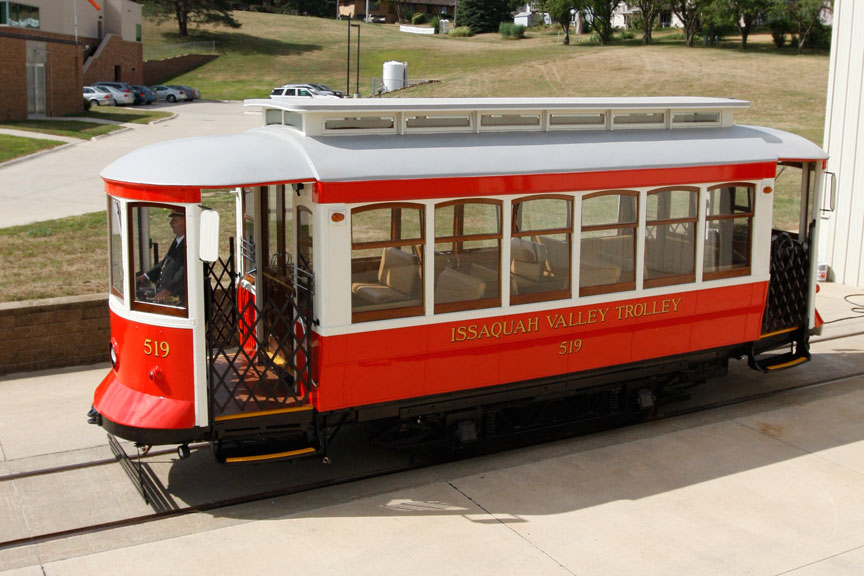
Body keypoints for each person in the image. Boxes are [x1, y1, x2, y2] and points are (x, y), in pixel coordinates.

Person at [137, 211, 186, 306]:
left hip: (179, 297)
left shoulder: (189, 243)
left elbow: (184, 271)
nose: (171, 223)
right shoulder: (178, 240)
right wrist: (146, 276)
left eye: (175, 220)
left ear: (186, 222)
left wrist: (168, 290)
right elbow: (166, 261)